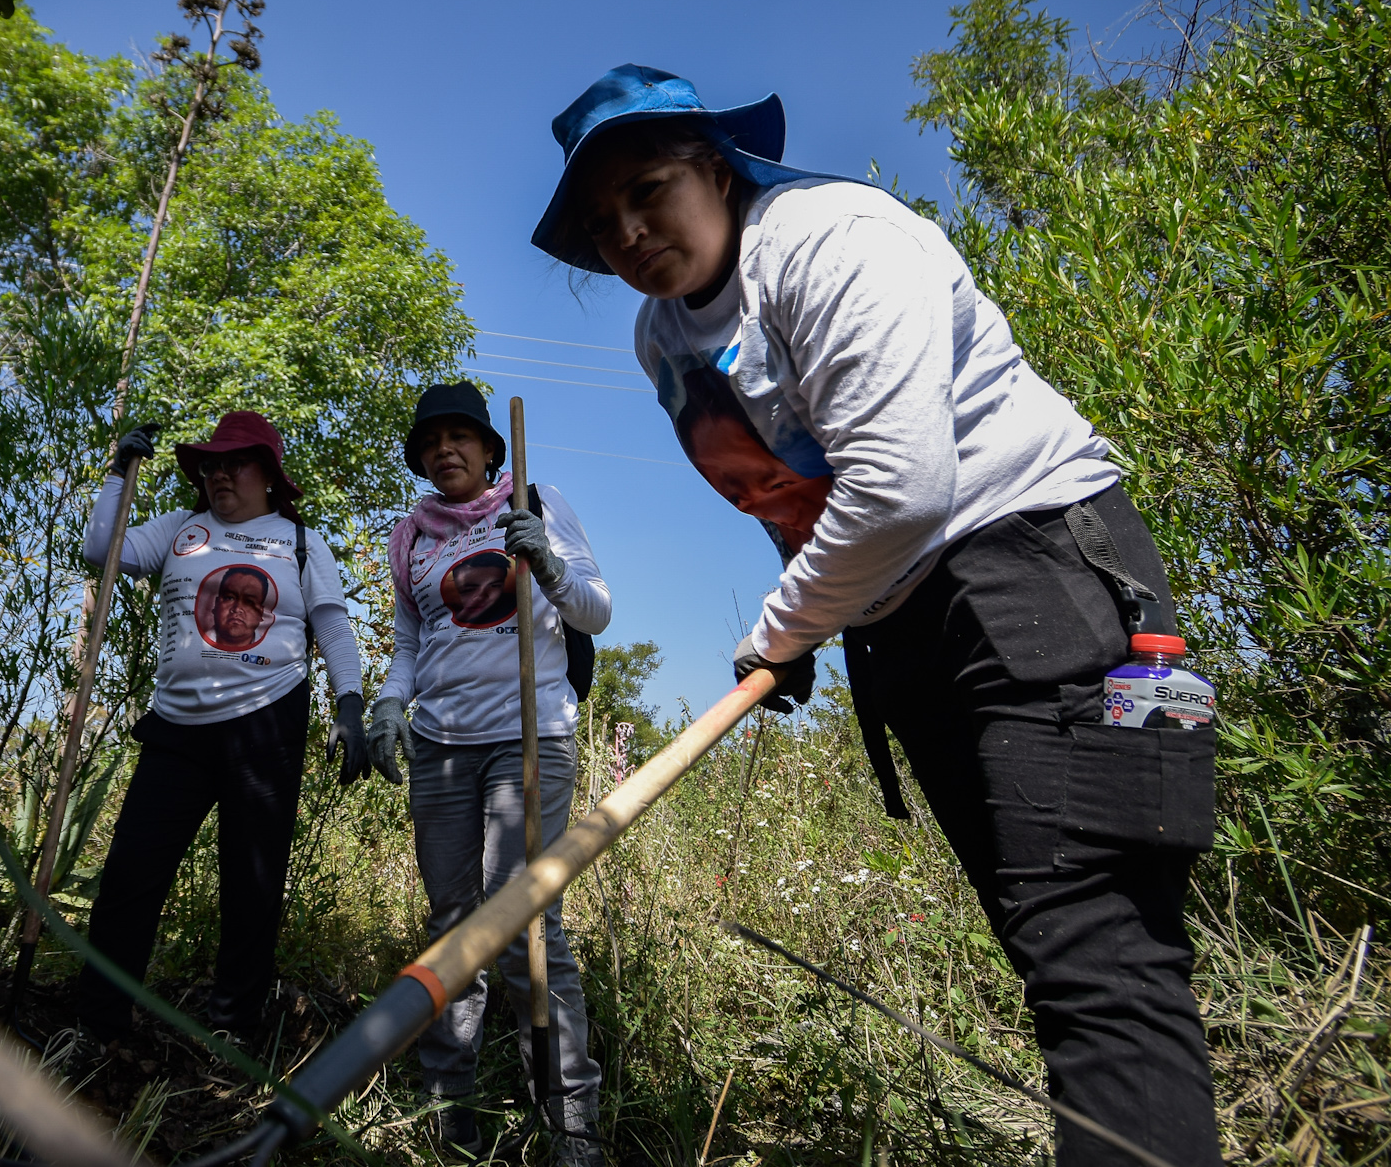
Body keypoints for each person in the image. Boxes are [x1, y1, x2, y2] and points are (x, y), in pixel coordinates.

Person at [530, 64, 1219, 1167]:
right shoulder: (660, 340)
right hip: (903, 625)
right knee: (1050, 954)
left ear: (715, 166)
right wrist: (807, 624)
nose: (628, 232)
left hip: (1063, 591)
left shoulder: (831, 236)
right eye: (600, 222)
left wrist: (780, 627)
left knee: (1103, 958)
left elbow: (899, 487)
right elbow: (779, 493)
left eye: (647, 189)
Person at [365, 381, 611, 1166]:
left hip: (528, 737)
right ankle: (453, 1108)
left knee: (526, 924)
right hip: (439, 743)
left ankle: (573, 1120)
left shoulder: (536, 500)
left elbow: (596, 610)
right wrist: (387, 706)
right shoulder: (412, 537)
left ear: (489, 448)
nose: (446, 450)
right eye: (431, 441)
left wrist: (544, 559)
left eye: (459, 437)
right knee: (452, 925)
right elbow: (409, 642)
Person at [75, 410, 371, 1043]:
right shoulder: (182, 529)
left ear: (268, 474)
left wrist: (350, 704)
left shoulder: (298, 541)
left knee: (252, 884)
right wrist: (118, 472)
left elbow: (333, 626)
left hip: (267, 726)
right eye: (210, 464)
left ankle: (235, 1027)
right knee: (130, 875)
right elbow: (102, 551)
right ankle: (100, 1025)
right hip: (177, 730)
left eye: (233, 462)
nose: (218, 474)